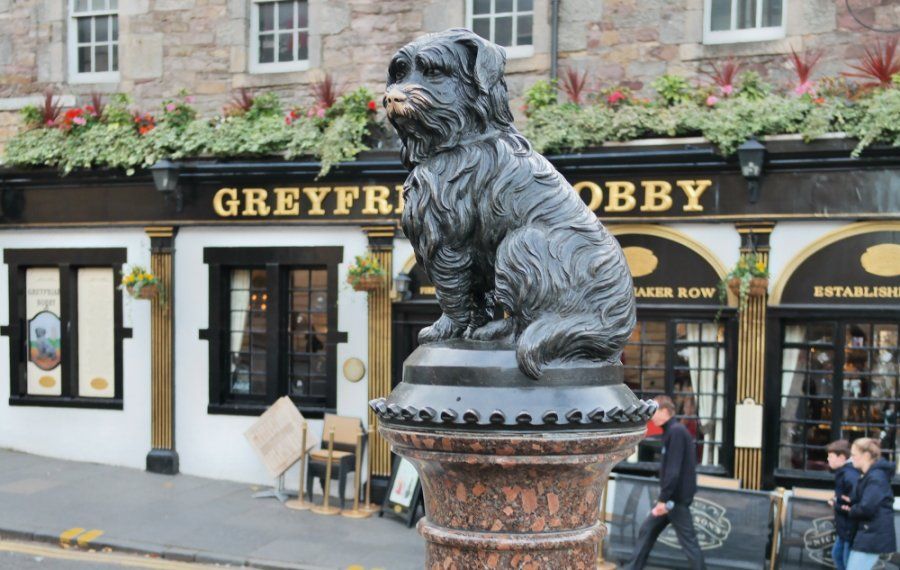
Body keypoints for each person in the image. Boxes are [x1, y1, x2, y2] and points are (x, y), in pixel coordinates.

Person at [624, 395, 706, 570]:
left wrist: (663, 500)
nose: (652, 416)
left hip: (673, 501)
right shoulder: (674, 431)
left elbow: (673, 471)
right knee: (648, 530)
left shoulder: (676, 432)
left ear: (665, 411)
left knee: (689, 544)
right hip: (673, 500)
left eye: (655, 411)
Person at [840, 438, 896, 570]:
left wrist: (851, 509)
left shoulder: (876, 477)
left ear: (866, 456)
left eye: (854, 455)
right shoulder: (869, 475)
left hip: (872, 536)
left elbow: (866, 508)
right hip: (868, 534)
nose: (851, 459)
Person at [826, 440, 859, 570]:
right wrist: (836, 500)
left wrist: (836, 503)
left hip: (850, 527)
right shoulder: (844, 473)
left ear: (841, 457)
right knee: (838, 555)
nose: (827, 459)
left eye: (830, 456)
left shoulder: (849, 474)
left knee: (846, 561)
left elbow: (854, 501)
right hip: (844, 527)